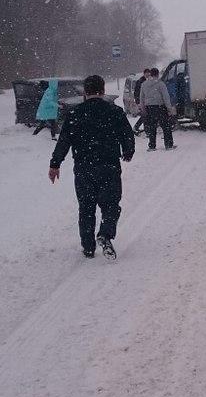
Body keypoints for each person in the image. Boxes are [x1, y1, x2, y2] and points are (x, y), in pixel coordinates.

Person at [48, 75, 135, 259]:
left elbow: (64, 141)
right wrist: (128, 151)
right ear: (102, 91)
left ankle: (88, 246)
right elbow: (127, 134)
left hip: (84, 168)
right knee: (110, 204)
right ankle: (105, 233)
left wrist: (55, 164)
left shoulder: (75, 114)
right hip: (109, 166)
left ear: (85, 93)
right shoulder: (114, 112)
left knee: (86, 207)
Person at [137, 67, 176, 151]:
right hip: (160, 107)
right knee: (166, 126)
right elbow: (166, 97)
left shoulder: (144, 84)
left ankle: (152, 146)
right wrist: (169, 108)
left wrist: (143, 108)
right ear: (158, 74)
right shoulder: (160, 84)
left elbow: (141, 98)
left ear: (150, 74)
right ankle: (169, 145)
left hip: (149, 108)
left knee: (152, 127)